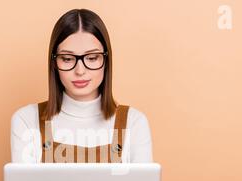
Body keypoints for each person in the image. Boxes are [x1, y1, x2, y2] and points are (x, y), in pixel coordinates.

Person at [11, 8, 153, 163]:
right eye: (67, 59)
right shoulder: (26, 120)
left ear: (106, 61)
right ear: (54, 63)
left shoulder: (134, 122)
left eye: (92, 58)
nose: (80, 71)